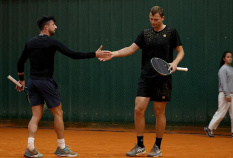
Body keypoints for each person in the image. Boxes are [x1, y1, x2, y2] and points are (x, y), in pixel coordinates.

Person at [16, 16, 111, 157]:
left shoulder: (30, 43)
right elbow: (73, 55)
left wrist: (22, 81)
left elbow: (20, 63)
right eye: (54, 25)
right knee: (58, 113)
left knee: (35, 116)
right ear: (46, 27)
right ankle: (61, 147)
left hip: (32, 82)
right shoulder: (52, 43)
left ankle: (30, 148)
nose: (56, 27)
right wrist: (94, 54)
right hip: (46, 82)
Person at [99, 6, 185, 157]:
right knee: (138, 109)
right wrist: (113, 54)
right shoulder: (145, 34)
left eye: (156, 19)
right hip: (146, 77)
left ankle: (157, 147)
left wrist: (175, 62)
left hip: (162, 78)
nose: (153, 22)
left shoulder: (171, 32)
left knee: (159, 112)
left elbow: (180, 51)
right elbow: (130, 49)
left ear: (163, 18)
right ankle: (140, 145)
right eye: (151, 19)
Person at [204, 51, 233, 138]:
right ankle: (209, 128)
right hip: (224, 94)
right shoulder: (223, 69)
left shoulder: (231, 68)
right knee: (221, 113)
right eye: (228, 57)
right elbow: (224, 83)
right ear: (224, 59)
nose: (230, 58)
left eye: (231, 57)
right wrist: (227, 94)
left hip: (232, 94)